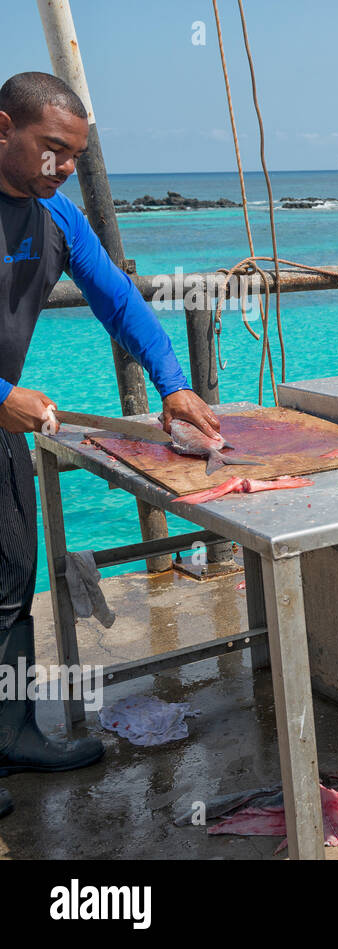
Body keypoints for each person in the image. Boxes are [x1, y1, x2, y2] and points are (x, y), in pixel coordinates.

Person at [0, 71, 221, 819]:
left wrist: (172, 384)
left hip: (2, 433)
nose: (60, 166)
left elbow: (119, 300)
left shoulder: (56, 217)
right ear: (3, 128)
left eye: (73, 154)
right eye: (50, 148)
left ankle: (16, 733)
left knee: (8, 586)